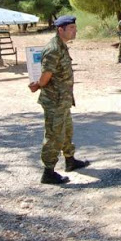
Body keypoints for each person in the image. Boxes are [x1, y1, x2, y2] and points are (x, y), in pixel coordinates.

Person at [29, 15, 90, 185]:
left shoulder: (61, 46)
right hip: (54, 100)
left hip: (63, 99)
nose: (75, 30)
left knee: (67, 131)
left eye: (74, 27)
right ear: (60, 30)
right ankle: (48, 172)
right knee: (54, 135)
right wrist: (38, 85)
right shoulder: (54, 49)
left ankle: (70, 160)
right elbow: (46, 74)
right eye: (71, 28)